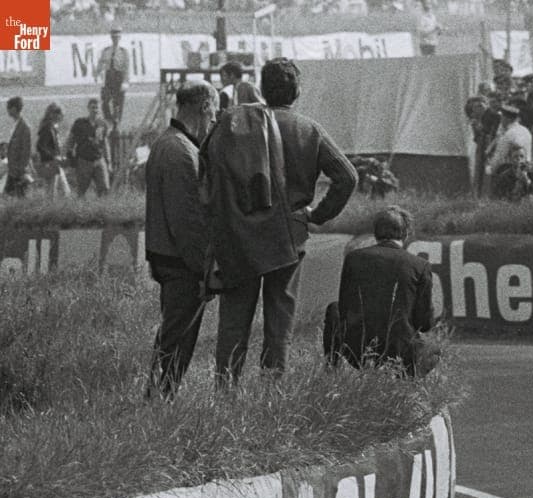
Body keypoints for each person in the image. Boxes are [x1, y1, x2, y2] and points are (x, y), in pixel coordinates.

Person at [208, 57, 357, 386]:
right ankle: (272, 393)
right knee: (279, 325)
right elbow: (347, 177)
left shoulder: (237, 124)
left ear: (261, 89)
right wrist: (317, 215)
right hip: (288, 236)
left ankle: (225, 394)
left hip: (240, 235)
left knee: (233, 323)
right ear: (298, 91)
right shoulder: (307, 129)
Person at [144, 81, 218, 398]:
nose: (214, 121)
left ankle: (160, 395)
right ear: (204, 106)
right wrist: (205, 270)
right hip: (181, 262)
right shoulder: (182, 152)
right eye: (213, 112)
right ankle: (159, 398)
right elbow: (187, 222)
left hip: (165, 255)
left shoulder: (166, 143)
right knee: (177, 338)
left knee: (173, 333)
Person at [324, 206, 436, 375]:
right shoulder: (420, 266)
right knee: (434, 351)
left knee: (333, 308)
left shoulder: (353, 259)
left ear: (375, 233)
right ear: (405, 234)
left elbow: (344, 309)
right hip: (400, 352)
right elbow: (425, 323)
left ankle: (331, 370)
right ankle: (405, 385)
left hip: (357, 350)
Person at [66, 97, 111, 197]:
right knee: (82, 190)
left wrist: (108, 160)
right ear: (88, 108)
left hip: (99, 159)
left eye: (97, 108)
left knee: (104, 189)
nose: (95, 110)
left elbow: (105, 143)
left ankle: (102, 210)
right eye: (93, 107)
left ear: (100, 109)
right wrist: (69, 155)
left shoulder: (103, 124)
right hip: (84, 160)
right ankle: (81, 210)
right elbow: (71, 140)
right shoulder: (80, 123)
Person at [488, 102, 533, 198]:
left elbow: (499, 158)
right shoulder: (526, 131)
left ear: (506, 119)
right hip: (526, 168)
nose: (501, 121)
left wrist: (490, 169)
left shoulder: (508, 134)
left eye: (502, 118)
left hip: (510, 171)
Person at [96, 25, 130, 127]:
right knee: (105, 100)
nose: (115, 39)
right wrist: (97, 72)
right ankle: (109, 119)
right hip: (108, 77)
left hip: (119, 77)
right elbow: (101, 63)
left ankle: (117, 121)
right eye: (113, 37)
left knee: (118, 102)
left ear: (120, 38)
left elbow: (126, 68)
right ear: (111, 38)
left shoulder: (124, 52)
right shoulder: (106, 51)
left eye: (117, 37)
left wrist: (125, 82)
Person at [35, 103, 69, 197]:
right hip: (51, 163)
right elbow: (40, 146)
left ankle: (53, 209)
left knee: (61, 191)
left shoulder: (52, 127)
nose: (62, 117)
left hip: (53, 163)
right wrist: (54, 157)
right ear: (54, 114)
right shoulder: (48, 128)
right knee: (53, 192)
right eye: (61, 114)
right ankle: (50, 210)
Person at [4, 97, 32, 197]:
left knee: (18, 196)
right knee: (12, 196)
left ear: (14, 109)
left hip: (18, 171)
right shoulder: (16, 124)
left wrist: (21, 170)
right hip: (13, 169)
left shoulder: (24, 127)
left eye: (8, 108)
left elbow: (26, 151)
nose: (7, 110)